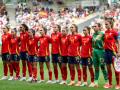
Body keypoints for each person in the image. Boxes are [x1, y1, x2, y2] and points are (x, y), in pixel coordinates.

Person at [104, 20, 120, 89]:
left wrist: (118, 52)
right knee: (108, 69)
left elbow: (118, 42)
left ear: (110, 24)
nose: (105, 25)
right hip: (106, 52)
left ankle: (118, 84)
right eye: (105, 24)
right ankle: (110, 84)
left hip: (113, 52)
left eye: (107, 24)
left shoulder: (114, 32)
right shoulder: (105, 32)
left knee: (116, 69)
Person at [92, 23, 109, 88]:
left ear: (99, 27)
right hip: (94, 52)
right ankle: (96, 82)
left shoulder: (102, 34)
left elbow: (106, 42)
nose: (94, 27)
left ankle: (107, 81)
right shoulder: (93, 34)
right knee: (96, 67)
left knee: (102, 66)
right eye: (93, 26)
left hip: (101, 52)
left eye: (95, 26)